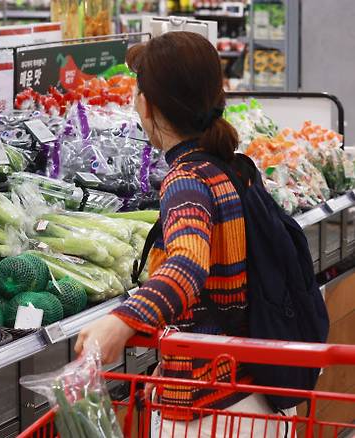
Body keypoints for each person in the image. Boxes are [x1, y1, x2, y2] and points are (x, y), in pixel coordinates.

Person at [74, 31, 294, 437]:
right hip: (257, 396)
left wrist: (121, 321)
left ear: (147, 104)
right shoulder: (231, 166)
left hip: (213, 413)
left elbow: (187, 265)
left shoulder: (187, 181)